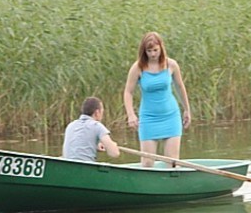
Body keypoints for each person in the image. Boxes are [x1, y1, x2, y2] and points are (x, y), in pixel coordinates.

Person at [123, 31, 191, 167]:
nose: (153, 54)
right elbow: (128, 92)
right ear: (144, 51)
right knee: (147, 162)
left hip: (170, 116)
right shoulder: (138, 68)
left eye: (155, 50)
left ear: (161, 48)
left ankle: (171, 186)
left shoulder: (171, 65)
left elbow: (179, 87)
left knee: (172, 162)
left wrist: (187, 110)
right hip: (149, 118)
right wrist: (130, 114)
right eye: (149, 51)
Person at [62, 96, 120, 161]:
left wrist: (95, 145)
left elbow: (80, 143)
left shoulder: (70, 126)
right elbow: (114, 153)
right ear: (97, 113)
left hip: (68, 166)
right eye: (102, 111)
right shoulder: (97, 126)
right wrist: (113, 146)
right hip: (85, 168)